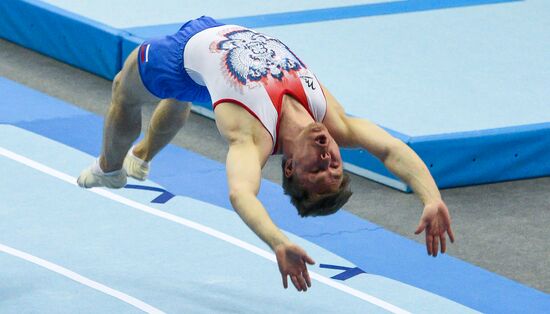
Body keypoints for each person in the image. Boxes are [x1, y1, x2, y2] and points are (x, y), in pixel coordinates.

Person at [77, 16, 455, 292]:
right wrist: (431, 197)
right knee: (186, 93)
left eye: (318, 167)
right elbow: (390, 150)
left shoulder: (252, 136)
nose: (327, 152)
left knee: (124, 92)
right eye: (335, 163)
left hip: (180, 56)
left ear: (289, 165)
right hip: (217, 34)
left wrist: (278, 241)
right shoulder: (334, 120)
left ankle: (110, 168)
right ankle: (142, 155)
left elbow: (241, 193)